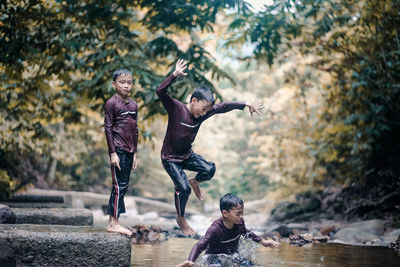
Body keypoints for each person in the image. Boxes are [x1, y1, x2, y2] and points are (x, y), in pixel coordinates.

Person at [156, 59, 264, 236]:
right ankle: (181, 218)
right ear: (194, 100)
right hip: (170, 159)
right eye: (203, 108)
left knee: (209, 169)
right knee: (183, 189)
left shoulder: (202, 114)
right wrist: (174, 75)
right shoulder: (176, 108)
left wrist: (245, 104)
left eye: (208, 110)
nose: (204, 113)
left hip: (186, 155)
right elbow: (160, 91)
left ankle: (196, 181)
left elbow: (224, 106)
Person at [177, 193, 281, 267]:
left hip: (233, 256)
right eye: (238, 214)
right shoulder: (215, 229)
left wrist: (263, 242)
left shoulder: (239, 222)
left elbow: (246, 232)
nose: (241, 216)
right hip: (214, 259)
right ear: (225, 213)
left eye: (242, 213)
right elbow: (199, 245)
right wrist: (190, 261)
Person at [104, 68, 138, 236]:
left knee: (122, 187)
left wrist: (135, 154)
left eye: (129, 82)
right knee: (118, 186)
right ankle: (113, 223)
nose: (126, 86)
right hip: (118, 149)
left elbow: (135, 130)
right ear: (114, 84)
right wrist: (112, 153)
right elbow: (108, 129)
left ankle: (113, 221)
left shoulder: (133, 105)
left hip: (129, 151)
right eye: (122, 82)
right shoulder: (112, 103)